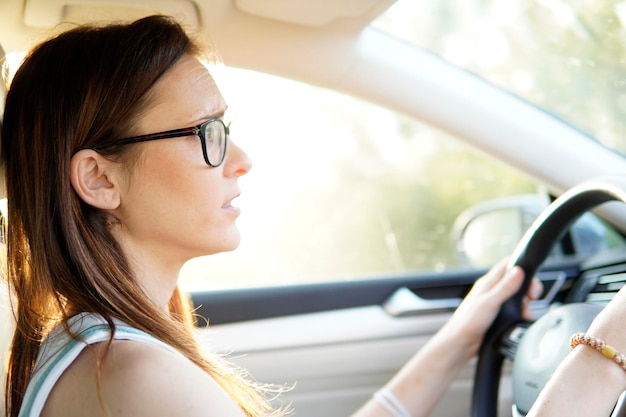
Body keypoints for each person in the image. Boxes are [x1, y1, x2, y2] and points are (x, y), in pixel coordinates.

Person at [0, 15, 546, 417]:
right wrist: (600, 354)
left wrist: (462, 335)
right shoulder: (131, 375)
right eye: (206, 134)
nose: (240, 161)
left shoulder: (98, 351)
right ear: (100, 179)